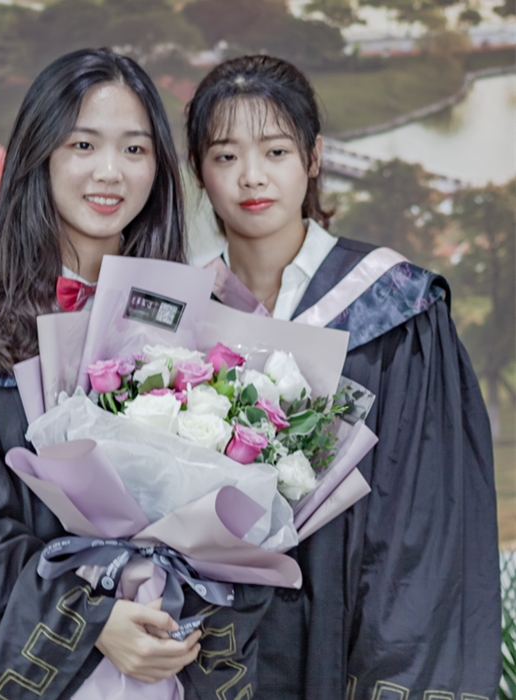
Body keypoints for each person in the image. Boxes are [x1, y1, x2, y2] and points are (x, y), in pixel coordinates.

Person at [0, 49, 204, 699]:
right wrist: (91, 619)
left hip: (162, 668)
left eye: (135, 149)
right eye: (83, 144)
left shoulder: (189, 334)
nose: (110, 172)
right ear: (40, 156)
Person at [182, 55, 502, 699]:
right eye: (225, 156)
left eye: (275, 151)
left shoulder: (395, 308)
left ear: (314, 157)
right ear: (199, 170)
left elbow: (424, 528)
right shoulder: (181, 316)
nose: (252, 176)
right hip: (223, 652)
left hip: (359, 633)